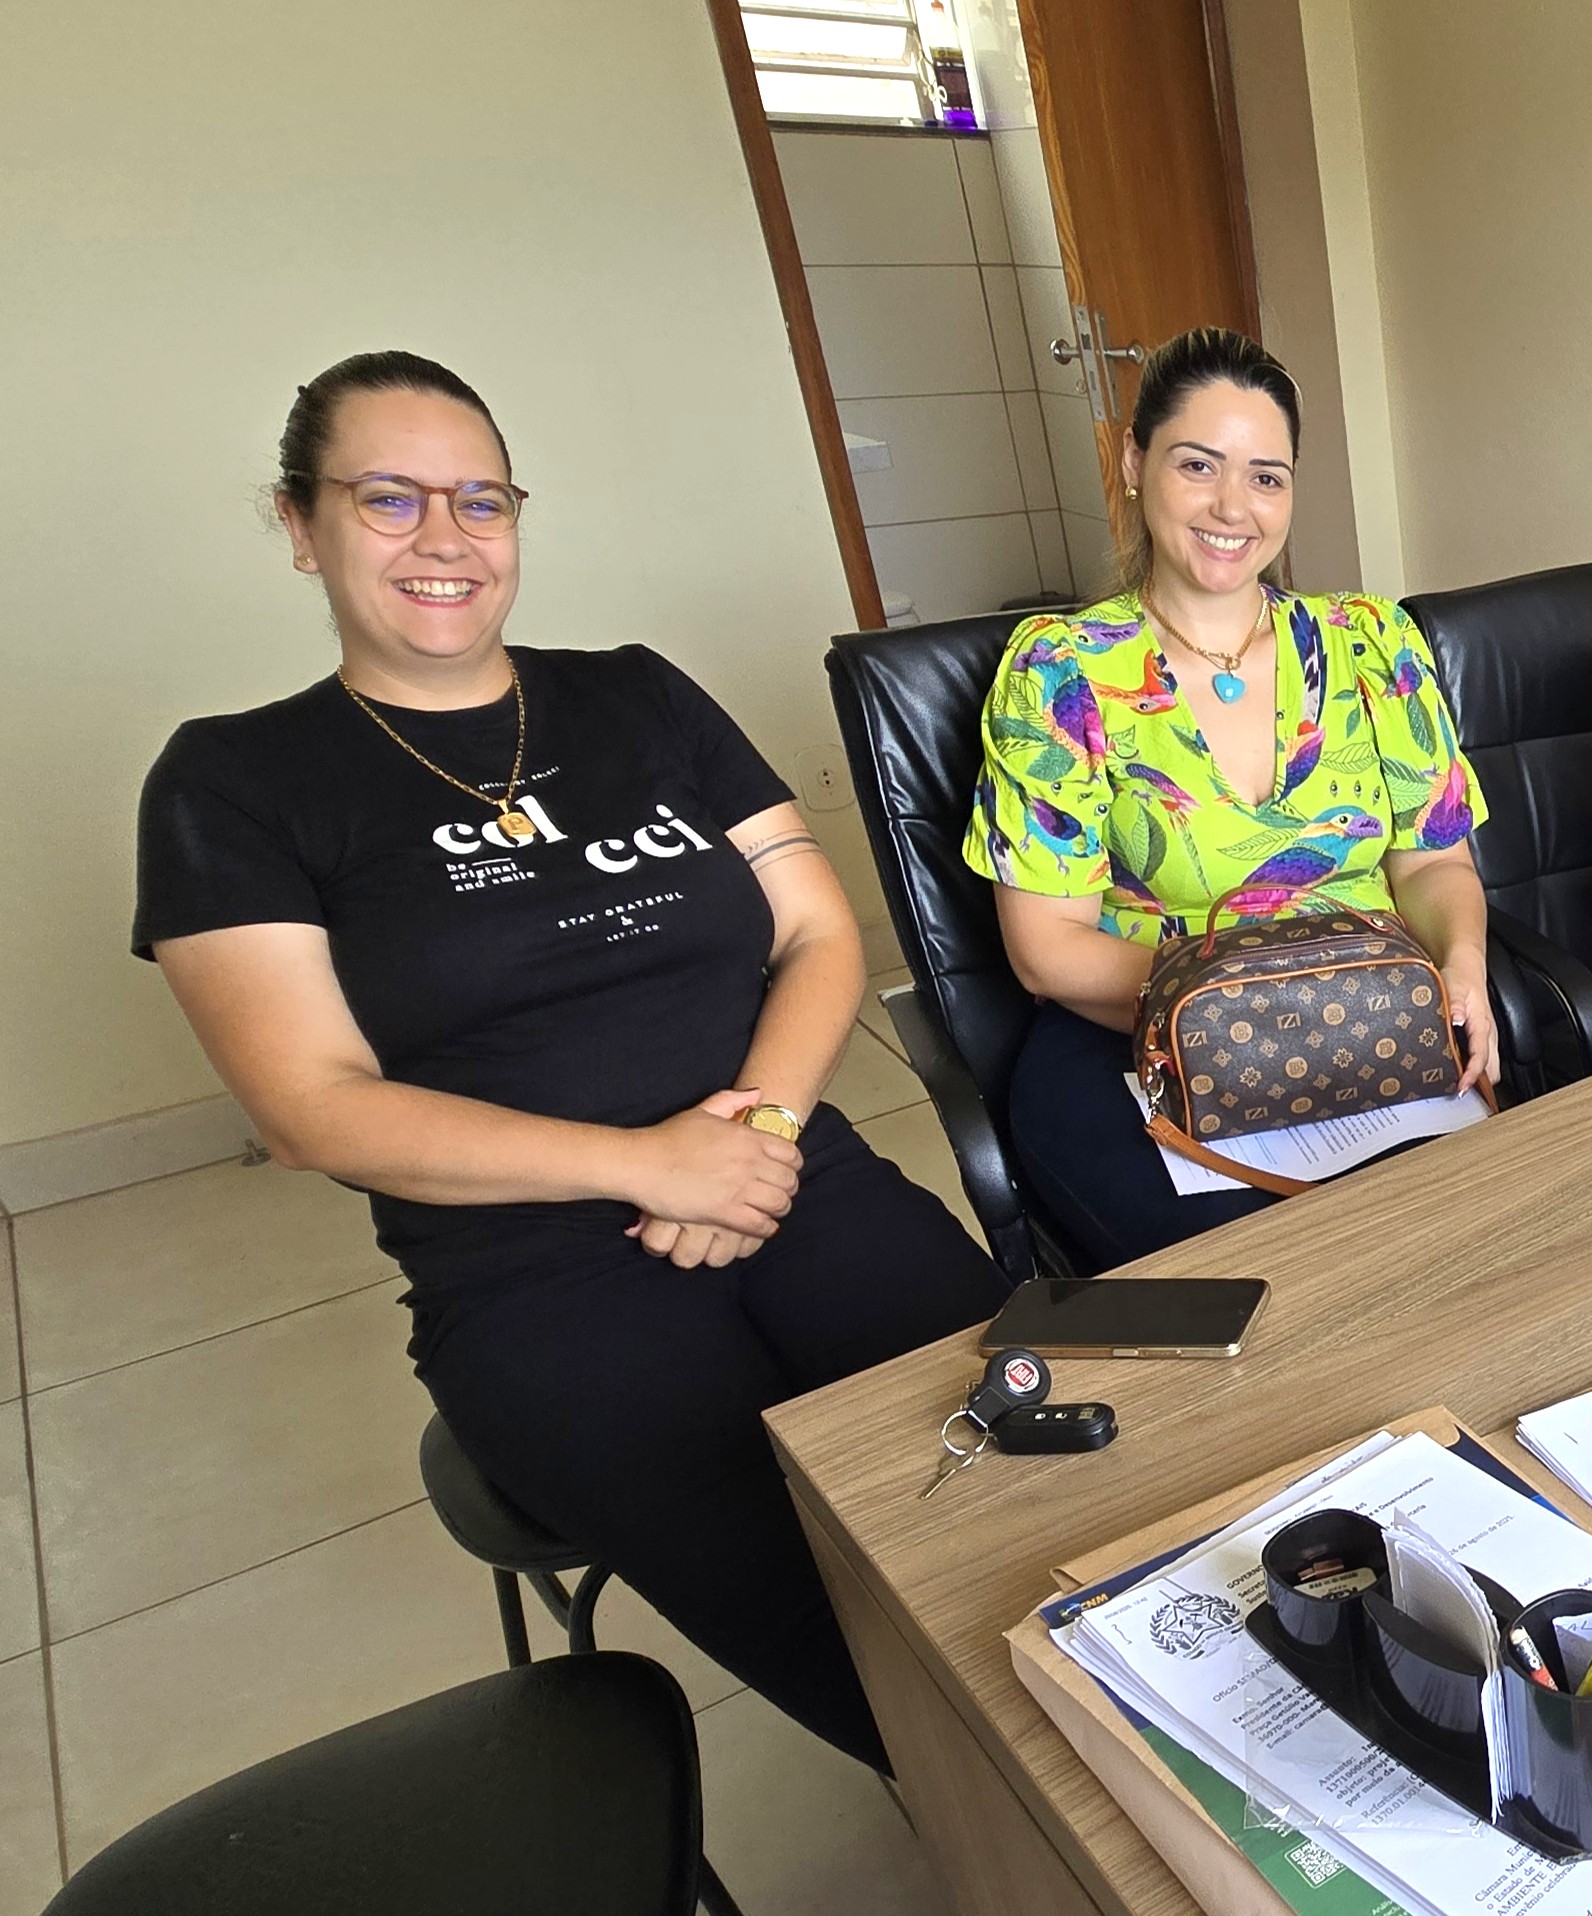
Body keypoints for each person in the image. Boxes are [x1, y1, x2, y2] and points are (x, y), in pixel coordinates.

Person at [136, 350, 1004, 1776]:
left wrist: (763, 1128)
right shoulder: (233, 779)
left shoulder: (636, 696)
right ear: (299, 524)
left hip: (791, 1169)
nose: (446, 537)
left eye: (482, 498)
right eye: (389, 498)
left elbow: (815, 931)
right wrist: (647, 1163)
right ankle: (1042, 1869)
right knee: (861, 1645)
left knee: (1040, 1459)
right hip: (529, 1265)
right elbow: (309, 1107)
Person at [968, 326, 1491, 1267]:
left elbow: (1433, 858)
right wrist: (1243, 1004)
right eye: (1197, 464)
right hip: (1135, 1047)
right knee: (1265, 1293)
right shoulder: (1061, 671)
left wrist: (1460, 963)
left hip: (1368, 1025)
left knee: (1476, 1243)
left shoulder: (1374, 642)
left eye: (1266, 476)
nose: (1232, 507)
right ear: (1132, 463)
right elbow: (1045, 952)